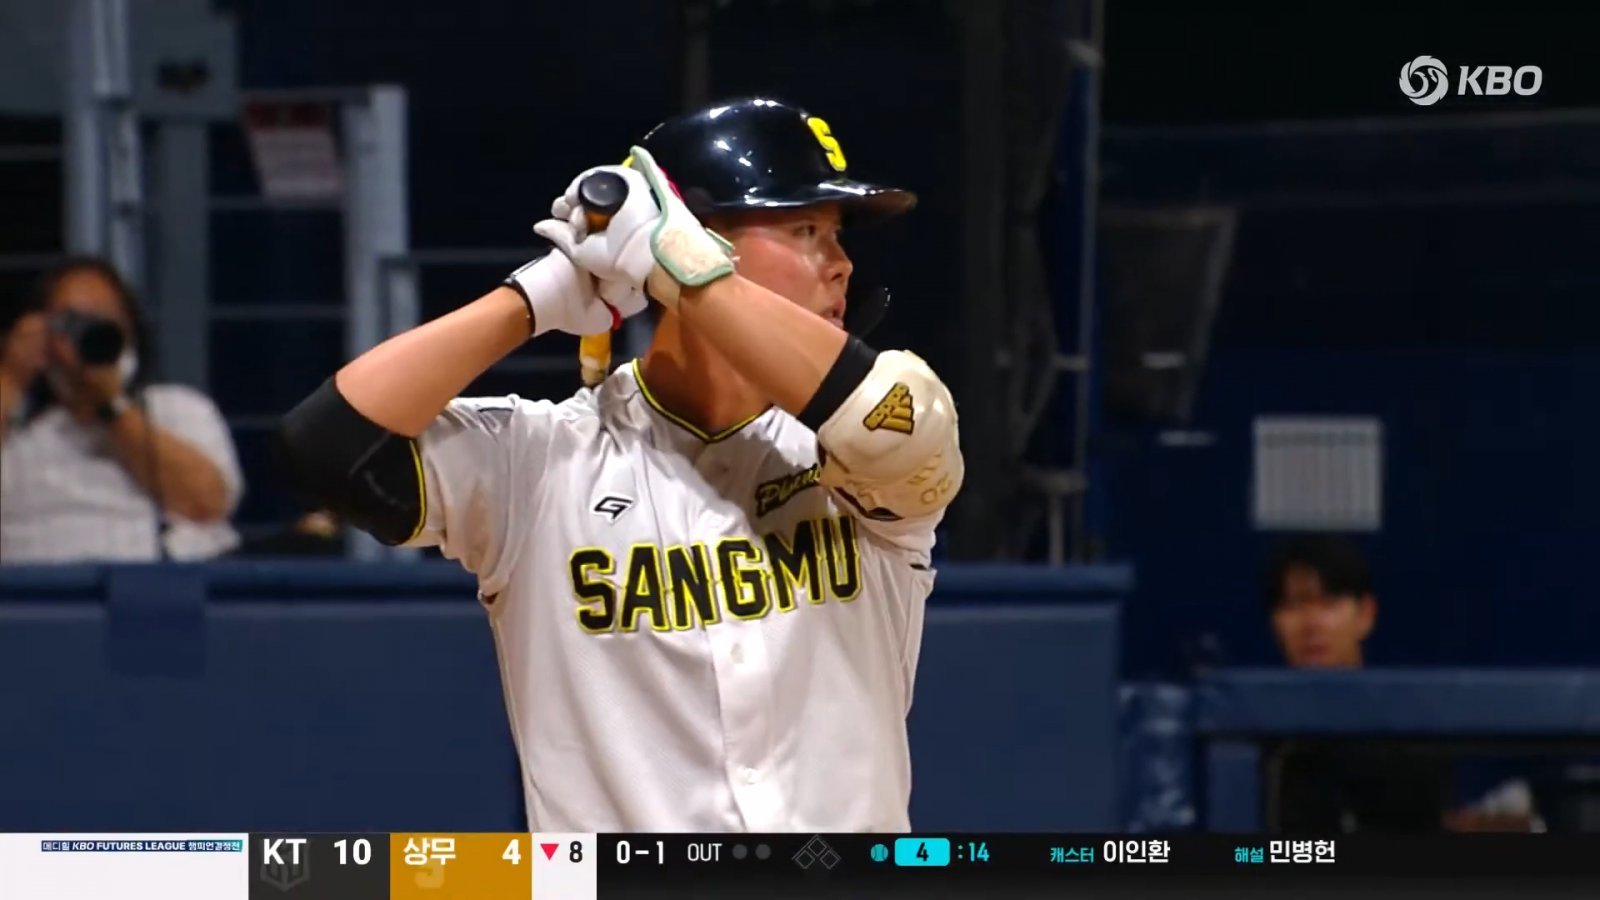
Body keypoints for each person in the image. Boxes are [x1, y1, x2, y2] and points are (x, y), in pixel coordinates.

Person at [277, 97, 963, 832]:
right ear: (699, 235)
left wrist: (685, 273)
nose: (841, 264)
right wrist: (537, 297)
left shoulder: (853, 443)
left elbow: (896, 430)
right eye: (806, 230)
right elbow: (325, 446)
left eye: (836, 235)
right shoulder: (544, 458)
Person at [1262, 534, 1542, 832]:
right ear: (1275, 622)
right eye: (1295, 605)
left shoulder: (1409, 738)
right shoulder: (1259, 740)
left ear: (1365, 615)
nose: (1312, 623)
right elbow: (1244, 853)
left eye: (1329, 604)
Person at [0, 257, 245, 563]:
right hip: (36, 589)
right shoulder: (19, 425)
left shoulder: (176, 407)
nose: (84, 335)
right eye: (69, 321)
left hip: (155, 584)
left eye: (100, 320)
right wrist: (11, 377)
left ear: (129, 330)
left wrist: (111, 407)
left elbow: (207, 504)